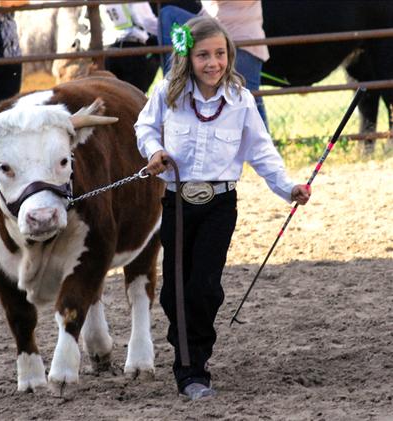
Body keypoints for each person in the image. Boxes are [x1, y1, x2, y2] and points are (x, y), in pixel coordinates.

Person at [134, 17, 311, 400]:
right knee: (174, 292)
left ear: (229, 55)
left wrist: (288, 187)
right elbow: (144, 129)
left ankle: (193, 367)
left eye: (220, 54)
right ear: (187, 58)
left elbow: (261, 151)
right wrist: (155, 151)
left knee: (205, 288)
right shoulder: (168, 93)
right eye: (203, 55)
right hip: (178, 200)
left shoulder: (241, 100)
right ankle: (188, 359)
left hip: (220, 205)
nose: (213, 62)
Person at [159, 0, 269, 125]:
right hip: (214, 34)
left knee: (248, 100)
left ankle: (174, 86)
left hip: (242, 40)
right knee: (168, 14)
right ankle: (175, 84)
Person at [101, 2, 161, 93]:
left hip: (109, 51)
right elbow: (148, 21)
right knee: (134, 95)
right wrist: (168, 29)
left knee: (115, 95)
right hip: (132, 50)